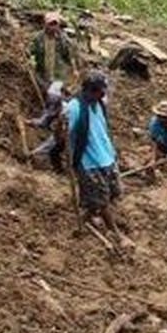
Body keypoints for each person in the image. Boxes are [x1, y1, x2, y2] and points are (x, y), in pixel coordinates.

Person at [67, 71, 126, 240]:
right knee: (102, 199)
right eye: (101, 91)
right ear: (90, 90)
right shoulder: (75, 107)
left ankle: (89, 215)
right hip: (89, 162)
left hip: (107, 156)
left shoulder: (99, 103)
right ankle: (115, 232)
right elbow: (63, 132)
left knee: (114, 192)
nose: (104, 94)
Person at [30, 11, 78, 91]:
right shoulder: (38, 38)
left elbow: (69, 55)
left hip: (58, 74)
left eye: (55, 24)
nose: (53, 27)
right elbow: (31, 52)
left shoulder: (63, 39)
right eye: (51, 24)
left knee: (55, 95)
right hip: (42, 74)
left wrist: (74, 69)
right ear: (45, 24)